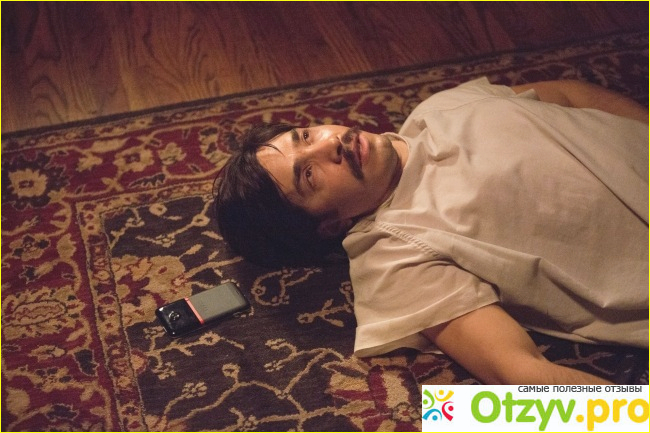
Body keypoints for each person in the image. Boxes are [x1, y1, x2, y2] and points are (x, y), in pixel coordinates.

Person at [215, 77, 649, 384]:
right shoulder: (392, 255)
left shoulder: (439, 107)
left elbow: (570, 93)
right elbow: (518, 374)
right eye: (309, 175)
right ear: (329, 226)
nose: (331, 143)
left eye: (305, 135)